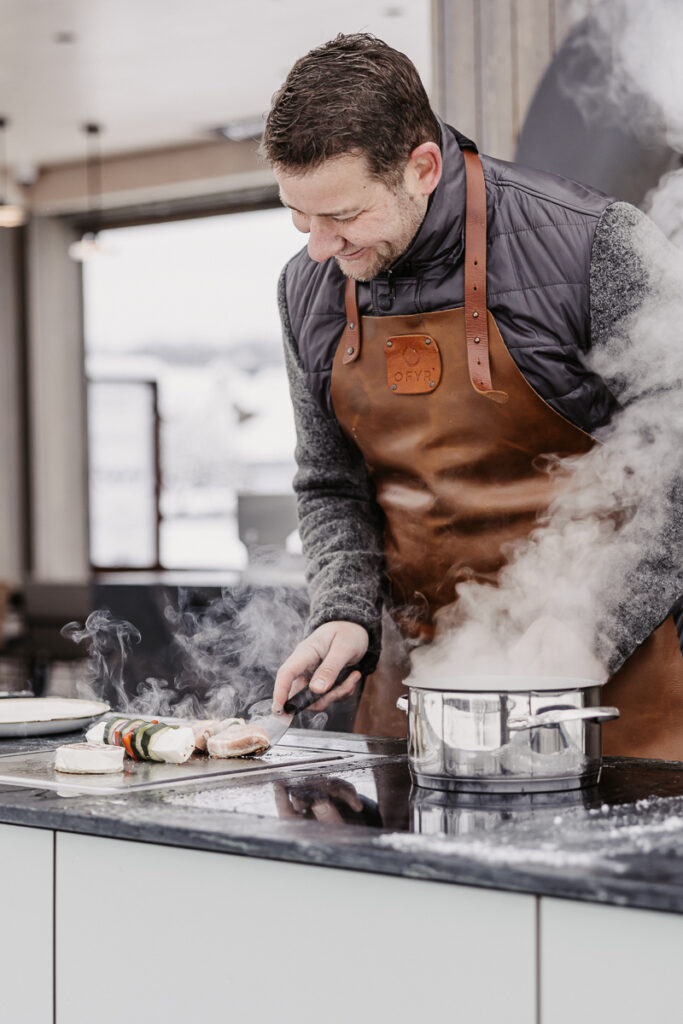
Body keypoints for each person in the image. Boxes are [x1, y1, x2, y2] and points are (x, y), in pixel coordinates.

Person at [264, 33, 683, 754]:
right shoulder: (307, 288)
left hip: (609, 692)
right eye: (300, 218)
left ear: (421, 168)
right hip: (419, 694)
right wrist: (342, 614)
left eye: (342, 216)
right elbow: (331, 485)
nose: (318, 248)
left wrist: (597, 622)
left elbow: (674, 465)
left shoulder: (595, 244)